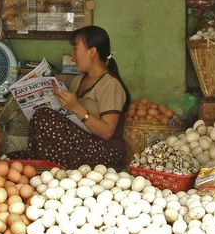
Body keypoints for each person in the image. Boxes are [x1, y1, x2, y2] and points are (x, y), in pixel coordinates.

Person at [9, 26, 131, 170]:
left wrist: (76, 107)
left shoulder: (110, 84)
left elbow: (107, 132)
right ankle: (46, 168)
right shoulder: (78, 80)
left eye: (76, 49)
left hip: (104, 152)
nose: (72, 55)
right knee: (14, 158)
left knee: (44, 118)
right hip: (79, 147)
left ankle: (48, 169)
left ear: (92, 52)